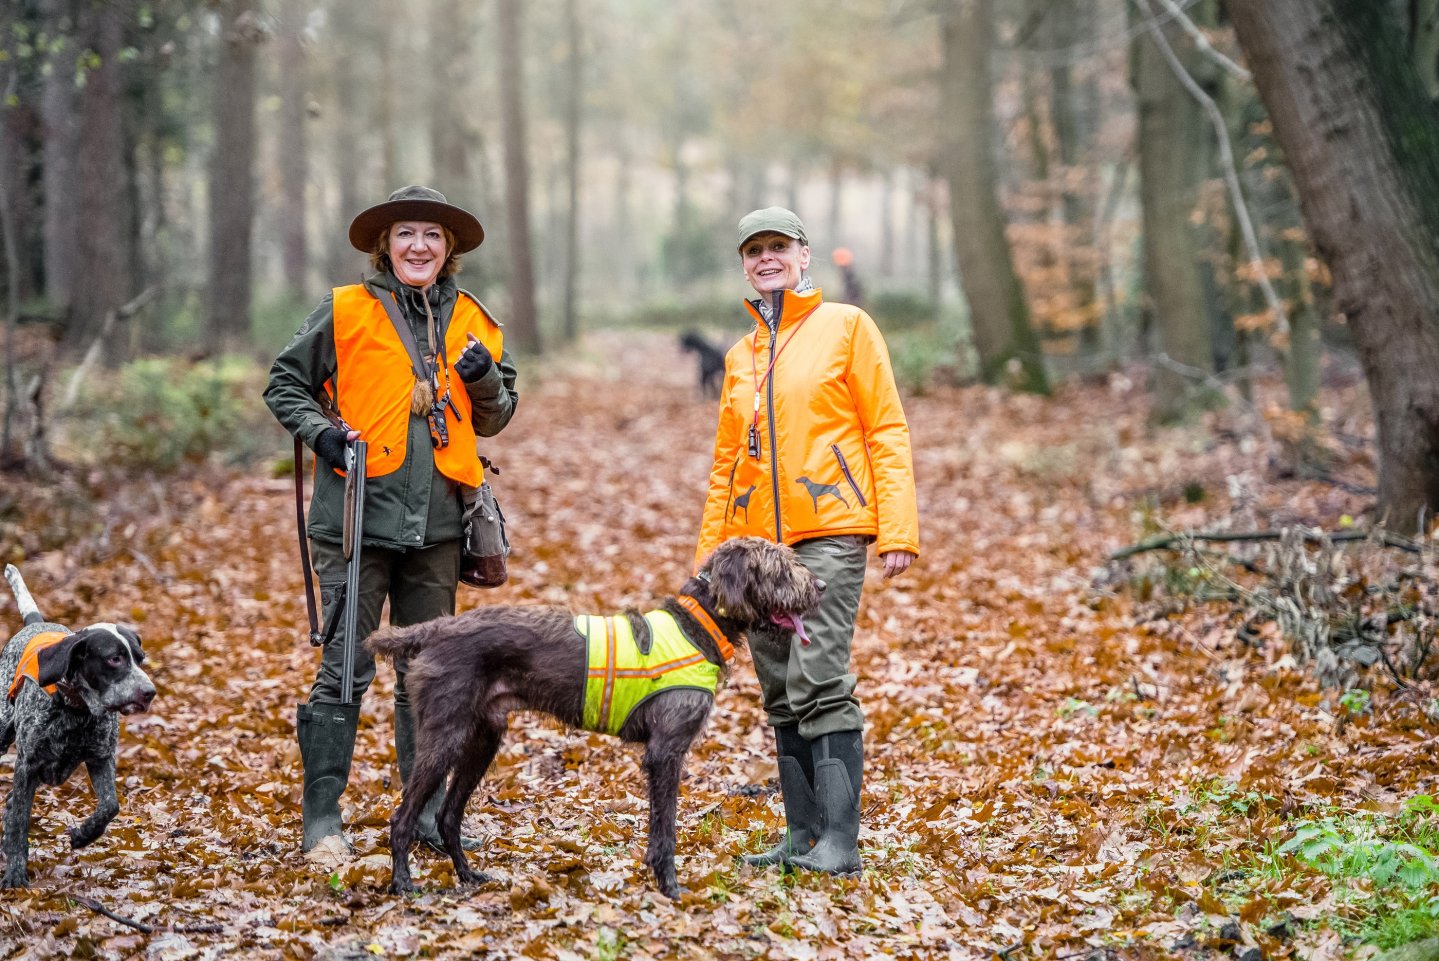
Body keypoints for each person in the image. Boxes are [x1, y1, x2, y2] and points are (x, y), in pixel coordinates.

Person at [264, 185, 519, 855]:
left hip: (439, 528)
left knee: (432, 673)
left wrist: (484, 377)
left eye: (432, 236)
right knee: (345, 666)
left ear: (449, 249)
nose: (418, 245)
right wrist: (320, 435)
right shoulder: (344, 310)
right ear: (386, 244)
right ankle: (321, 818)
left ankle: (426, 815)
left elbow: (497, 414)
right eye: (406, 233)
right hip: (353, 519)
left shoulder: (474, 320)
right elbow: (285, 382)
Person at [695, 207, 919, 875]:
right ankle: (801, 837)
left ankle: (840, 844)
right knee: (778, 688)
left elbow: (886, 429)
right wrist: (711, 561)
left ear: (803, 256)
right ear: (744, 263)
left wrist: (897, 528)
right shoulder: (740, 355)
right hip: (754, 548)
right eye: (754, 249)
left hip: (830, 532)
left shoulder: (846, 327)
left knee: (817, 675)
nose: (766, 257)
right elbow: (725, 461)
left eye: (778, 246)